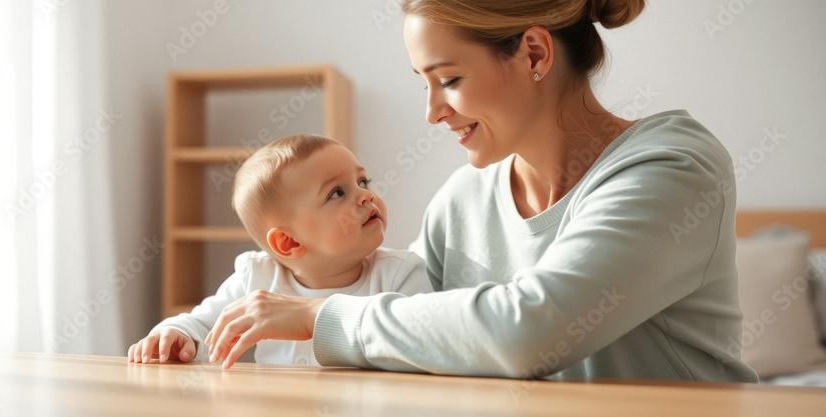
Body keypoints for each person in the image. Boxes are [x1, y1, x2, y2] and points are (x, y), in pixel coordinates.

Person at [205, 0, 759, 382]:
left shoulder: (672, 169)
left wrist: (317, 316)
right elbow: (406, 319)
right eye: (423, 83)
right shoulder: (464, 198)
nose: (432, 112)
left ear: (535, 55)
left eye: (448, 80)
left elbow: (531, 331)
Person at [128, 134, 432, 365]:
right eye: (337, 192)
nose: (365, 195)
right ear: (289, 242)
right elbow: (203, 324)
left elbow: (425, 345)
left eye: (362, 180)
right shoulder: (258, 277)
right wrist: (176, 334)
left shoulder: (400, 274)